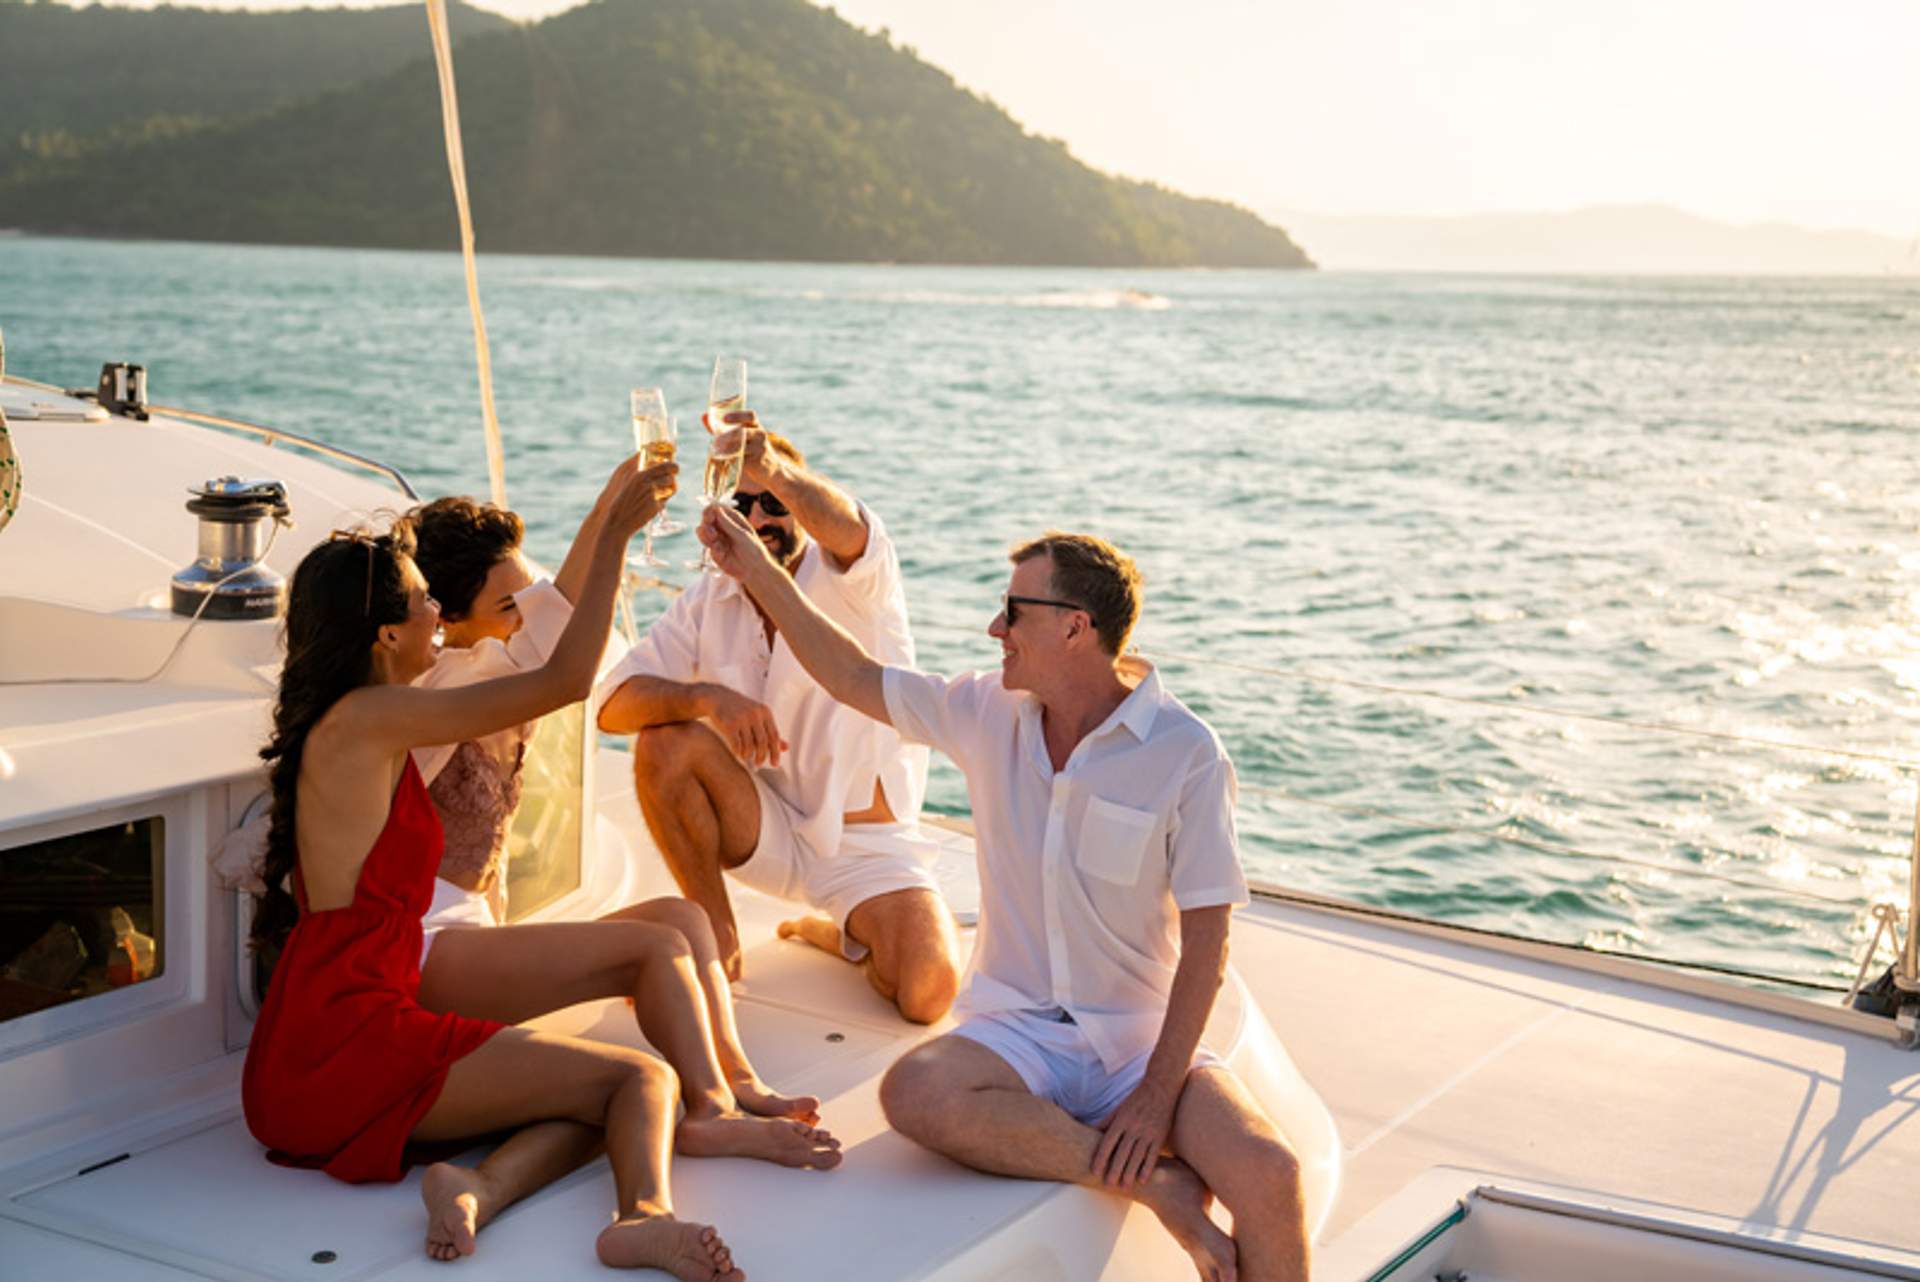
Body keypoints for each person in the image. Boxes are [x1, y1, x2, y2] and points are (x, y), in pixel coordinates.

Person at [695, 508, 1311, 1282]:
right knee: (915, 1089)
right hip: (1018, 1035)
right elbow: (852, 675)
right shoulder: (986, 711)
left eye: (1014, 610)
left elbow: (1209, 947)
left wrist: (1156, 1096)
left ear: (1074, 628)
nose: (996, 627)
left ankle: (1151, 1161)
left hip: (1138, 1044)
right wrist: (754, 567)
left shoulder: (1185, 754)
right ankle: (1158, 1185)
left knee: (1271, 1174)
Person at [242, 458, 751, 1280]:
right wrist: (617, 534)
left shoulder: (364, 722)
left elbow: (540, 643)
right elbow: (564, 678)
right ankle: (641, 1218)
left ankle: (474, 1185)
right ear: (385, 637)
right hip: (350, 1045)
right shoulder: (372, 719)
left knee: (593, 1092)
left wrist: (603, 524)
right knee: (643, 1080)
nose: (439, 615)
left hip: (331, 1041)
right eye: (422, 604)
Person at [396, 473, 835, 1144]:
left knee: (683, 918)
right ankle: (709, 1113)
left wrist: (608, 507)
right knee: (655, 944)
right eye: (508, 604)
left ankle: (740, 1079)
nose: (526, 615)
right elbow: (563, 647)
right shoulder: (446, 686)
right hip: (423, 946)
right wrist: (614, 531)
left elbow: (552, 612)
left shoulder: (487, 665)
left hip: (472, 935)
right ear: (447, 620)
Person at [597, 416, 960, 1023]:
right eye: (743, 505)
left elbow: (847, 526)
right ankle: (718, 934)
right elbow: (612, 705)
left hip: (865, 849)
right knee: (665, 741)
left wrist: (774, 470)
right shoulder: (712, 596)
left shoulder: (854, 577)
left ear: (798, 509)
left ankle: (838, 935)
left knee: (927, 992)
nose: (760, 518)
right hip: (764, 827)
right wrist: (708, 698)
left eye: (774, 504)